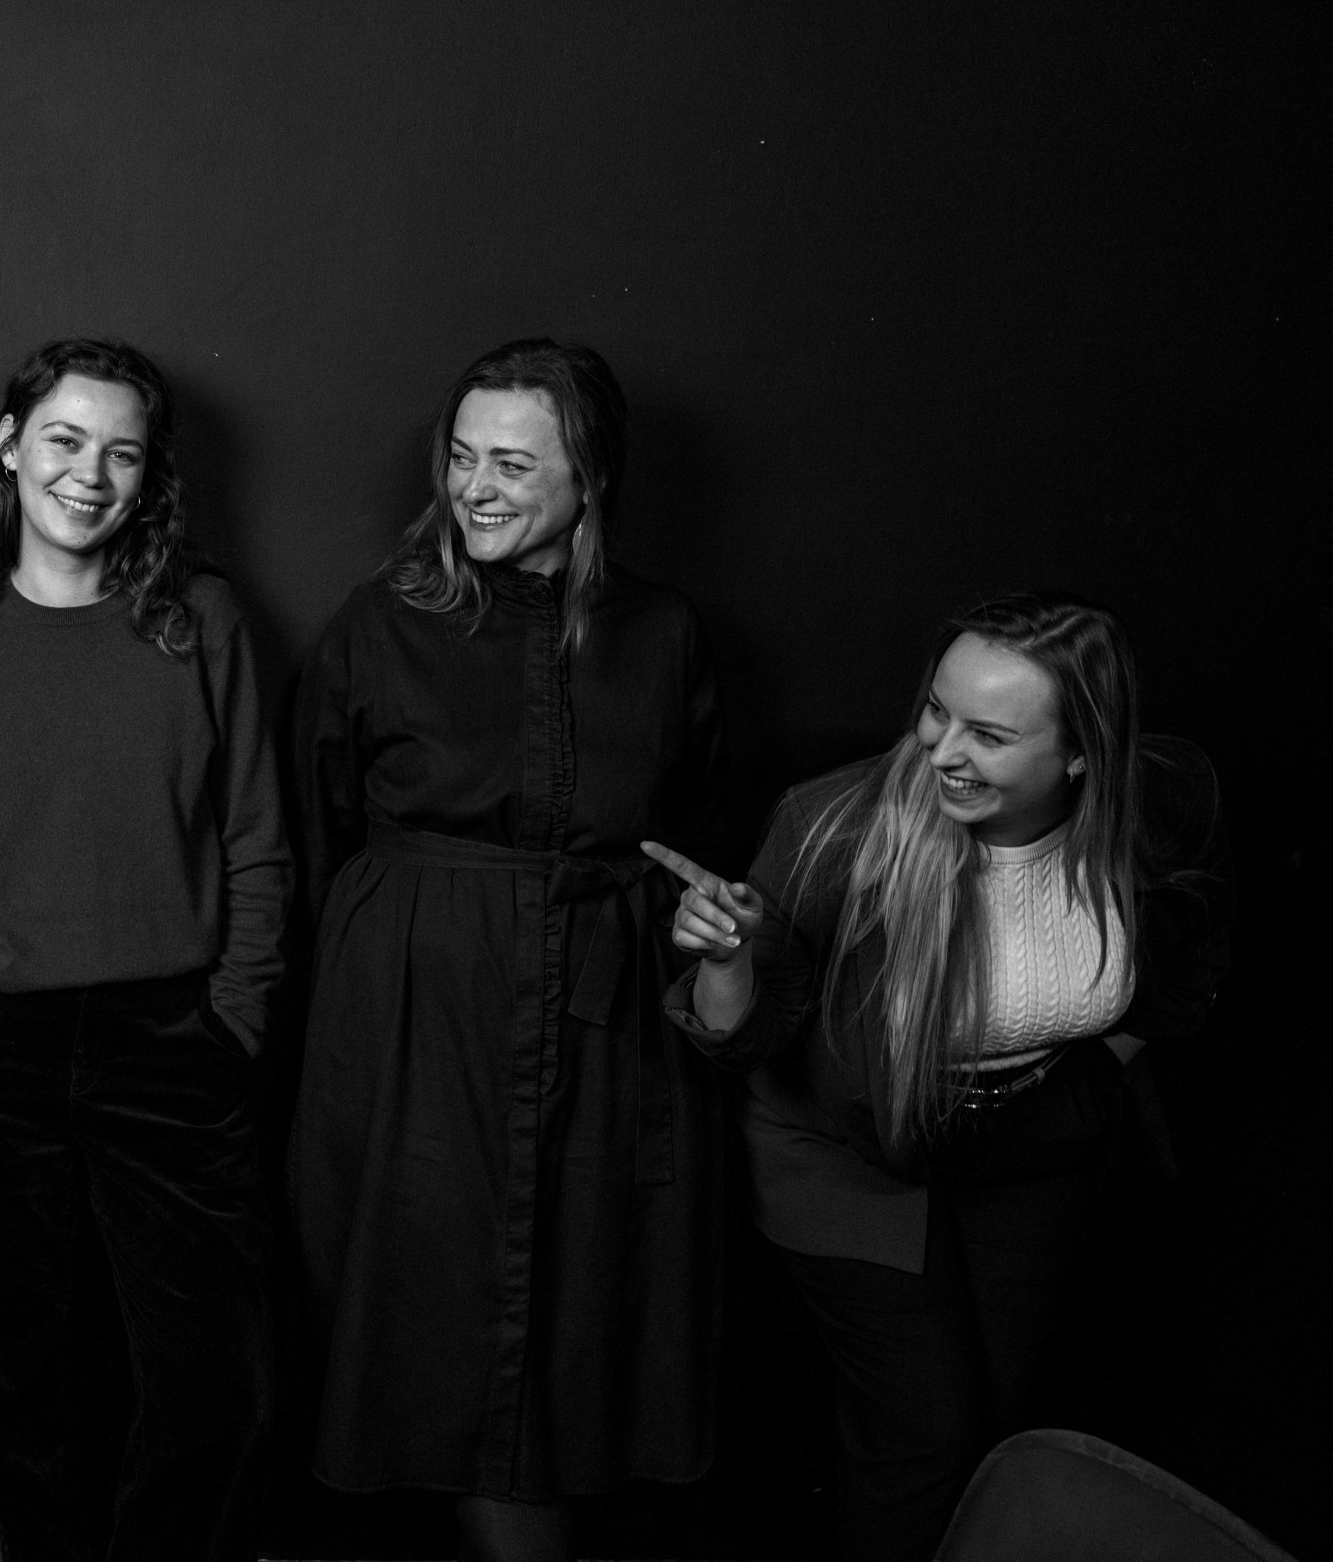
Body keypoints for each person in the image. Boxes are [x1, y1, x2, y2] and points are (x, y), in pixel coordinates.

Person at [651, 591, 1234, 1562]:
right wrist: (727, 958)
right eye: (936, 709)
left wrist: (1097, 1074)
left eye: (989, 734)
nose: (941, 751)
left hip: (1033, 1149)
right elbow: (748, 1039)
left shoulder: (1158, 807)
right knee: (921, 1431)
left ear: (1081, 753)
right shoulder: (836, 824)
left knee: (999, 1420)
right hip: (846, 1156)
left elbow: (1190, 949)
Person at [290, 340, 728, 1562]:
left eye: (513, 465)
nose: (474, 487)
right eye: (462, 456)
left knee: (578, 1336)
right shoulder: (379, 622)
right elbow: (317, 827)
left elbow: (700, 829)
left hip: (608, 1033)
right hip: (413, 1027)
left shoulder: (664, 633)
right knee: (422, 1321)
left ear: (591, 479)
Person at [0, 337, 288, 1562]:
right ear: (10, 445)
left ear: (151, 474)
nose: (89, 475)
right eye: (64, 439)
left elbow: (257, 836)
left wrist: (235, 1014)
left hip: (171, 1034)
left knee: (213, 1373)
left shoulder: (200, 619)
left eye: (123, 452)